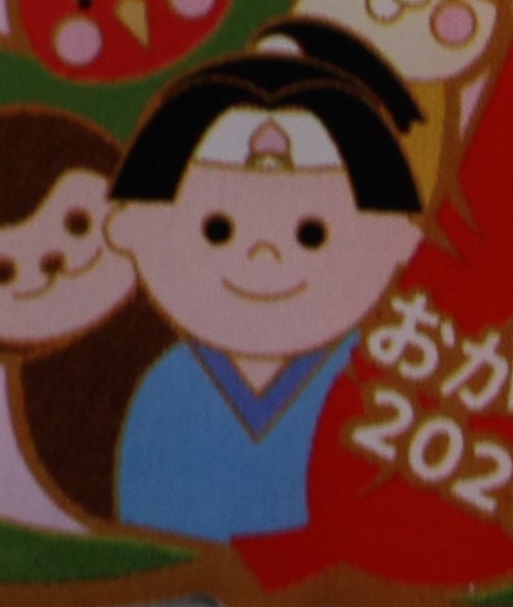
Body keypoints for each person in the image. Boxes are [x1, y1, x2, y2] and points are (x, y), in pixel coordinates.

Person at [106, 46, 425, 541]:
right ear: (132, 228)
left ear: (397, 239)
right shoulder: (167, 388)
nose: (263, 256)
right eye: (217, 229)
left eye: (312, 234)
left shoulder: (377, 379)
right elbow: (146, 530)